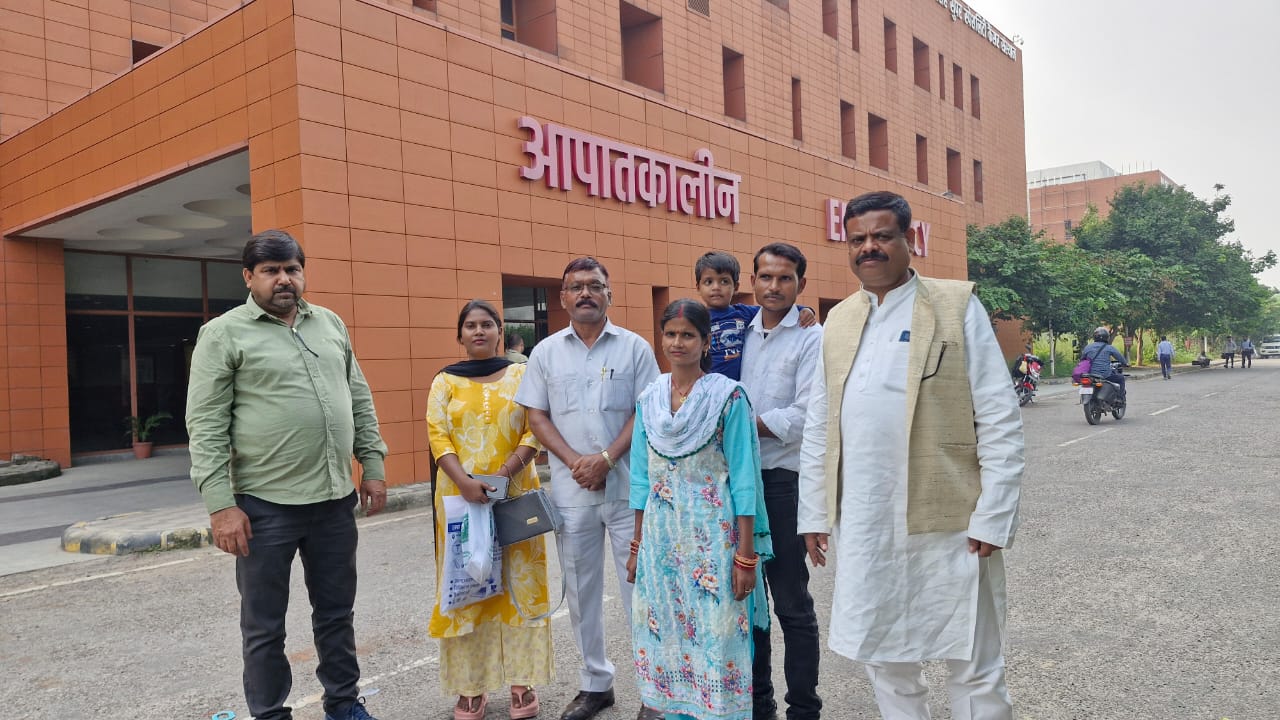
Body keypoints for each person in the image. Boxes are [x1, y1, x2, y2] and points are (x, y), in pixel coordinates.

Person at [797, 191, 1025, 720]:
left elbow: (998, 416)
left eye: (882, 236)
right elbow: (819, 424)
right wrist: (813, 512)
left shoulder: (955, 305)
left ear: (909, 240)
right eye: (858, 239)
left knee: (973, 659)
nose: (869, 248)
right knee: (884, 657)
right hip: (866, 521)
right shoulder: (839, 321)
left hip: (951, 519)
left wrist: (994, 514)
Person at [186, 230, 388, 720]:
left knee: (336, 614)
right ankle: (271, 714)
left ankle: (343, 703)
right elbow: (205, 425)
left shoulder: (329, 323)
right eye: (271, 271)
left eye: (292, 269)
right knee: (264, 626)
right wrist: (221, 505)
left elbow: (357, 397)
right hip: (264, 506)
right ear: (248, 277)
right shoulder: (224, 334)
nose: (284, 280)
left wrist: (373, 464)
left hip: (333, 500)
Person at [514, 257, 662, 720]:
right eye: (576, 287)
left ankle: (655, 691)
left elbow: (646, 410)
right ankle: (596, 685)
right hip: (572, 492)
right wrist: (575, 462)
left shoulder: (635, 348)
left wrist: (607, 459)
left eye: (594, 286)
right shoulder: (545, 353)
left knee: (641, 590)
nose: (585, 293)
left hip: (627, 491)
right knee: (581, 593)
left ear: (608, 294)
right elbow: (536, 415)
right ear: (562, 297)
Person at [626, 299, 773, 720]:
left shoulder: (728, 398)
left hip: (714, 542)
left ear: (706, 342)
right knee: (668, 636)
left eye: (688, 335)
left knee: (718, 637)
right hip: (661, 544)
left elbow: (744, 481)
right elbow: (641, 480)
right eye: (671, 334)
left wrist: (745, 556)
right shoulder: (650, 399)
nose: (678, 343)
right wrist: (636, 546)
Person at [427, 300, 550, 720]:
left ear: (500, 331)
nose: (478, 331)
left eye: (487, 324)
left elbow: (535, 429)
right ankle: (471, 686)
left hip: (514, 495)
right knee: (467, 586)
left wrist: (503, 474)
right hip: (460, 501)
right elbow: (438, 435)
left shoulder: (522, 374)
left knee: (519, 586)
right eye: (470, 325)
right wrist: (465, 481)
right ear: (459, 335)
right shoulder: (444, 381)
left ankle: (522, 681)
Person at [738, 244, 824, 720]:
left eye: (785, 278)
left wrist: (738, 426)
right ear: (753, 281)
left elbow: (806, 415)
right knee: (748, 604)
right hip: (736, 485)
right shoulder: (737, 331)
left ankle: (804, 708)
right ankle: (759, 705)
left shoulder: (811, 337)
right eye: (766, 277)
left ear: (800, 285)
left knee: (791, 603)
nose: (774, 286)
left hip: (781, 484)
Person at [693, 251, 816, 380]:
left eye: (724, 281)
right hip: (708, 384)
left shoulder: (743, 313)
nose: (716, 287)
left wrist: (805, 310)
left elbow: (774, 310)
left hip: (741, 386)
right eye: (709, 282)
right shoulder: (696, 319)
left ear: (736, 287)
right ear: (698, 287)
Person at [1081, 327, 1129, 399]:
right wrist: (1125, 363)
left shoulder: (1088, 347)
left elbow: (1082, 360)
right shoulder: (1109, 347)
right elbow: (1119, 357)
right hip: (1105, 375)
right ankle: (1120, 397)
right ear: (1107, 337)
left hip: (1090, 375)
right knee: (1121, 378)